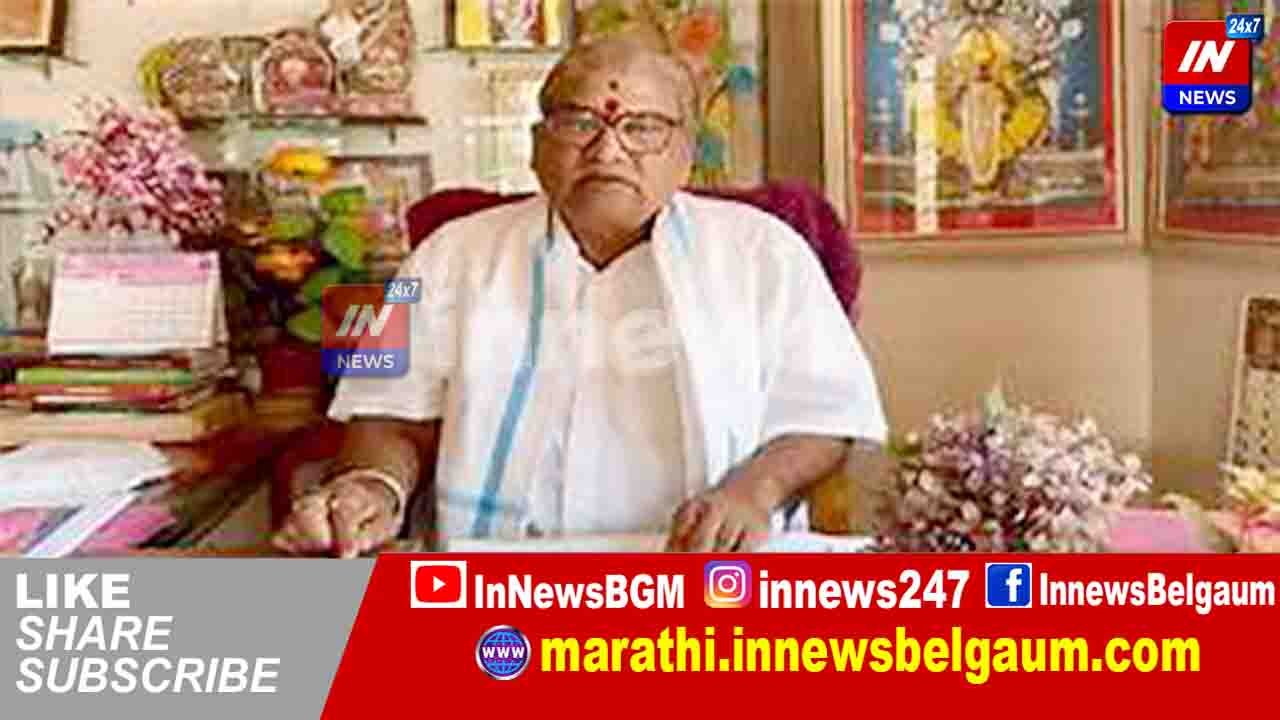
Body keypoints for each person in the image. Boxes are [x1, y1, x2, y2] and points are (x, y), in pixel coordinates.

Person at [272, 32, 888, 557]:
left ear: (685, 154)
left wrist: (753, 492)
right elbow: (382, 412)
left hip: (702, 573)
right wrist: (374, 487)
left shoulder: (768, 251)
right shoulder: (442, 254)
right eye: (580, 121)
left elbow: (826, 419)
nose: (608, 149)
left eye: (642, 127)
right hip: (501, 579)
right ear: (537, 145)